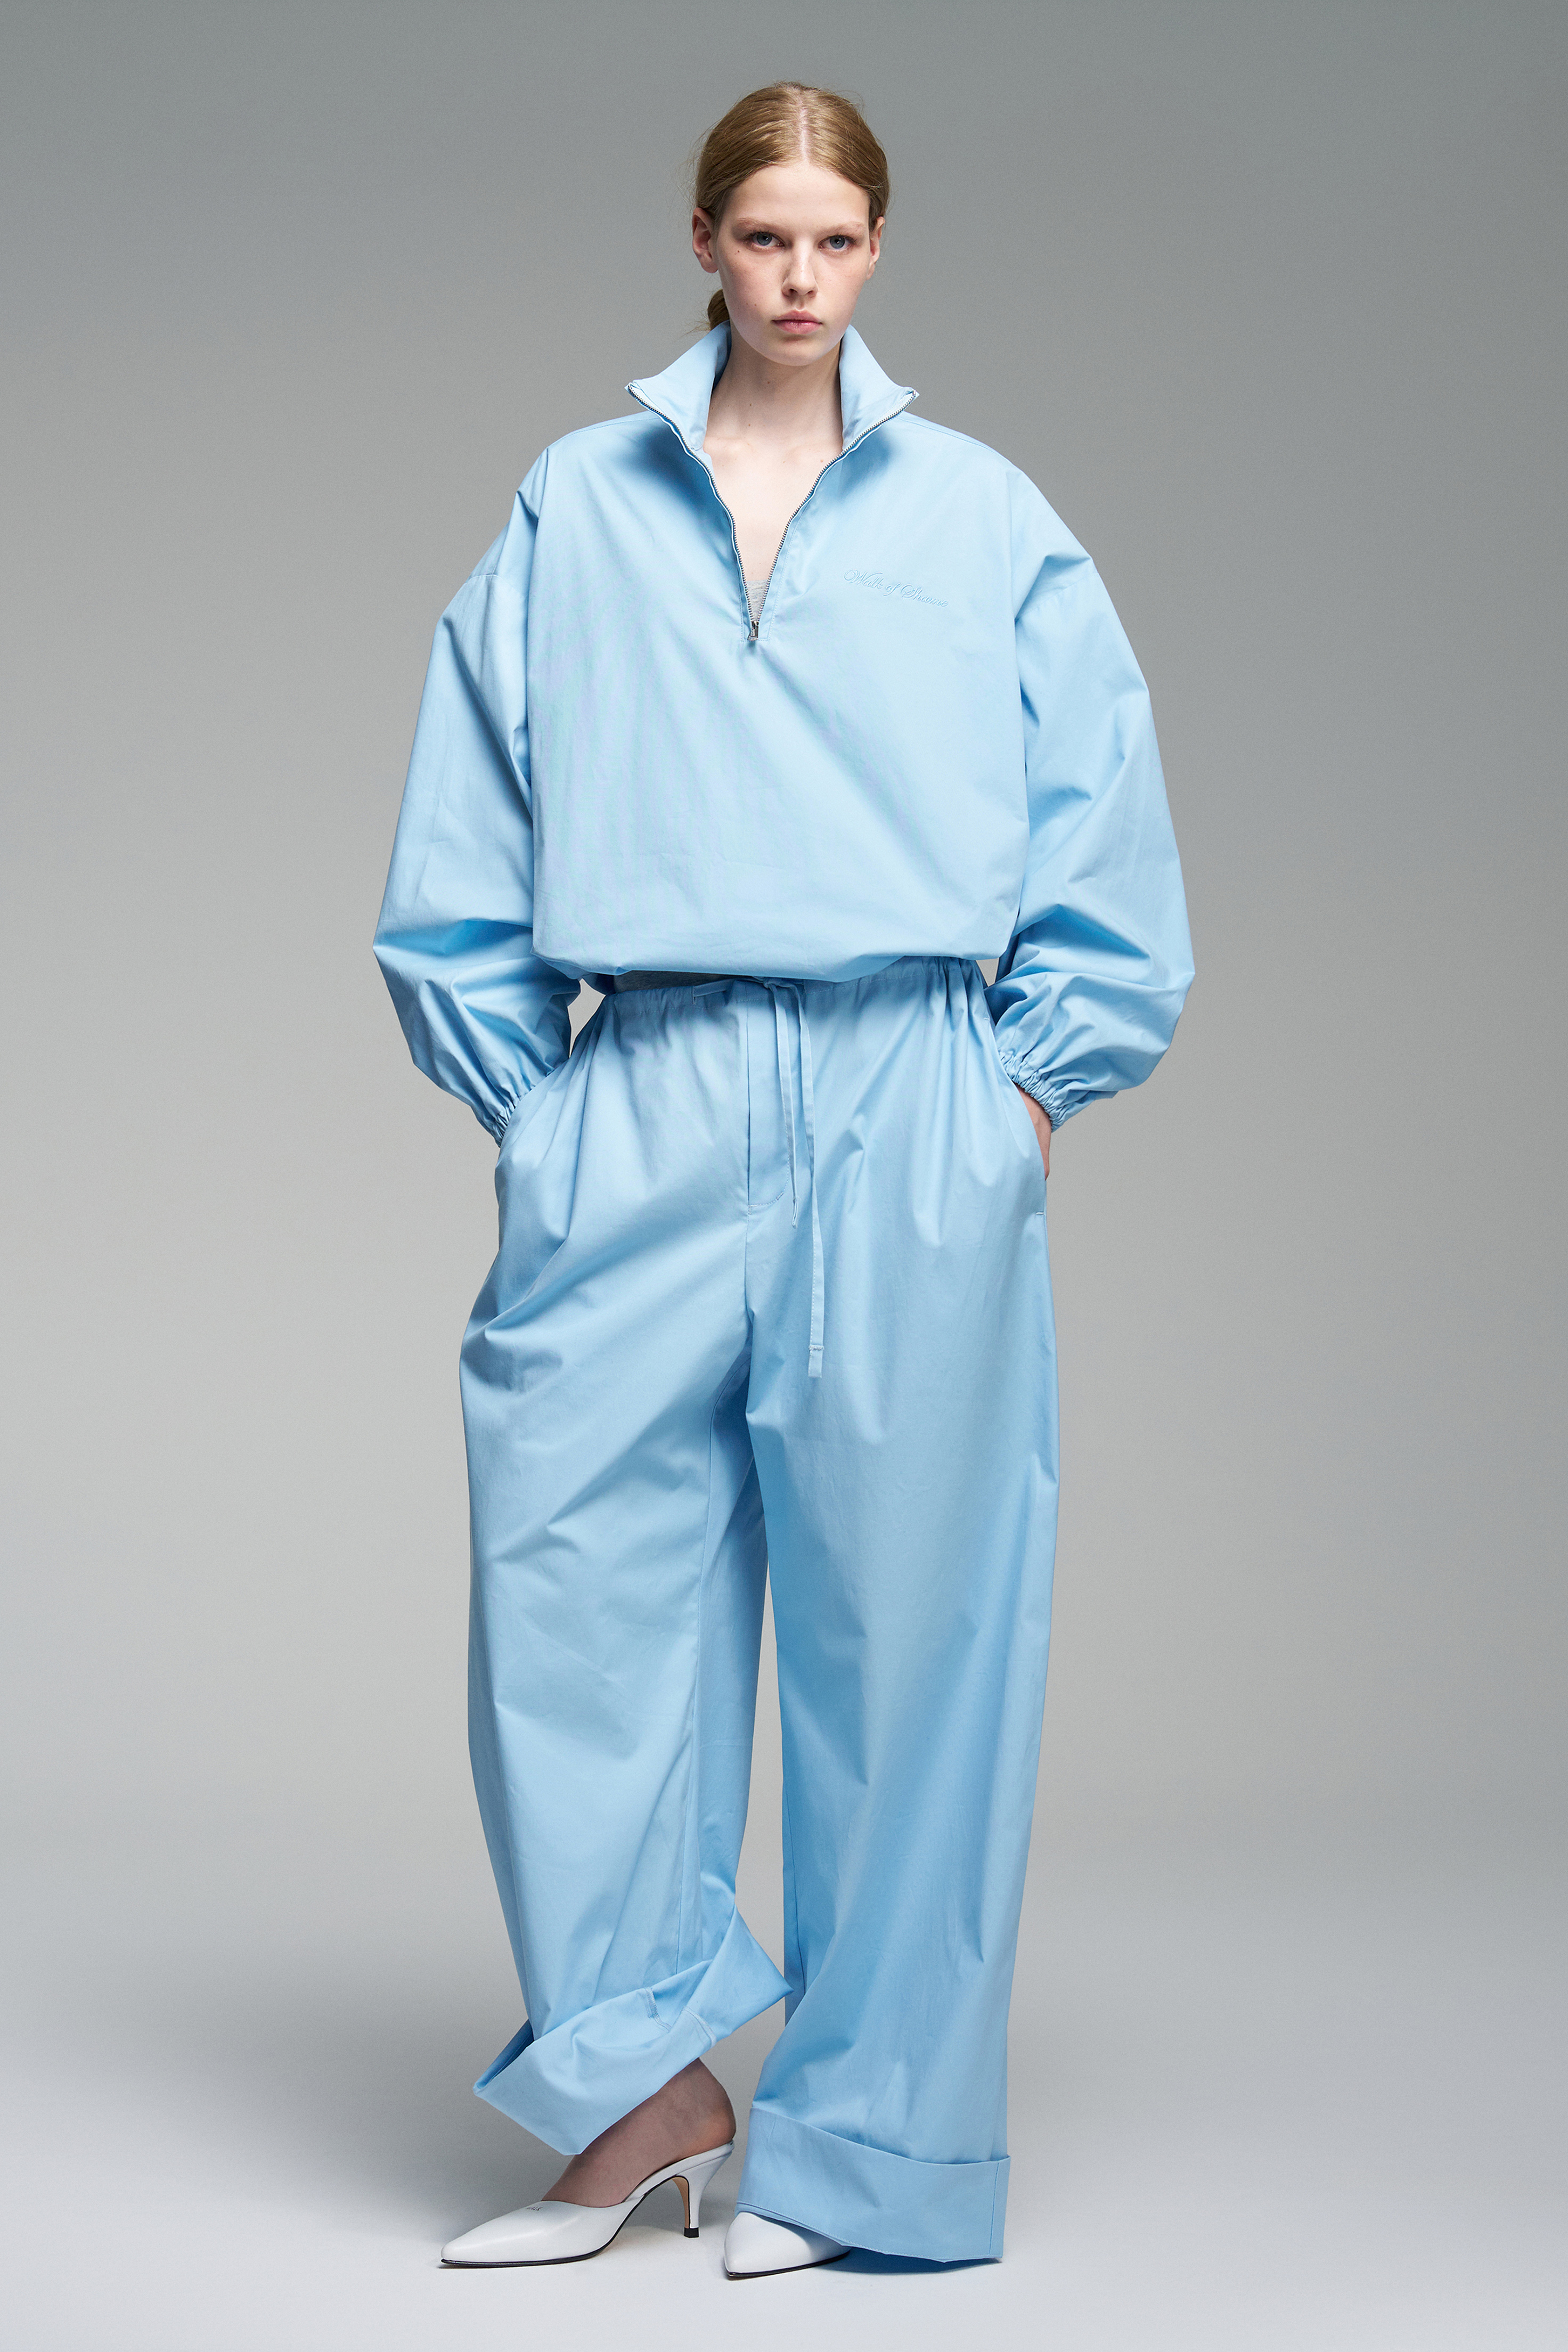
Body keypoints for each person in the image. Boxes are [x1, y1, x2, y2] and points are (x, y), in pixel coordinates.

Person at [373, 79, 1192, 2280]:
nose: (800, 276)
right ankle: (643, 2094)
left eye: (835, 239)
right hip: (638, 1083)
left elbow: (1104, 837)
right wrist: (546, 1114)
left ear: (878, 249)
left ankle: (865, 2153)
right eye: (764, 237)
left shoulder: (984, 515)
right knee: (573, 1602)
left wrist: (1016, 1107)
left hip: (906, 1094)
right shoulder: (577, 500)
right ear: (706, 245)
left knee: (913, 1638)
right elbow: (462, 827)